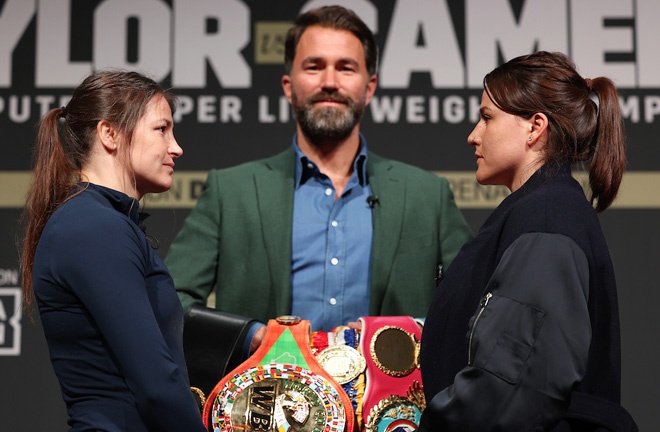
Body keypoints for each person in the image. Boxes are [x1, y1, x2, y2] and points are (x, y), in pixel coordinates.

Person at [165, 5, 472, 386]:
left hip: (392, 417)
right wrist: (251, 336)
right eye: (314, 67)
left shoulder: (428, 195)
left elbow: (471, 310)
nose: (330, 81)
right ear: (288, 86)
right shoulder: (232, 191)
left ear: (369, 86)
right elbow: (168, 300)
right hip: (264, 413)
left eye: (346, 67)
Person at [418, 51, 637, 431]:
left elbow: (510, 390)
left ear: (535, 127)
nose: (473, 135)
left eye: (487, 118)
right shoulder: (539, 211)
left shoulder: (547, 219)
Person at [19, 71, 206, 431]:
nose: (176, 147)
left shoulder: (99, 222)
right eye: (161, 129)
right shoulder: (94, 226)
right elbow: (156, 385)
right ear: (110, 134)